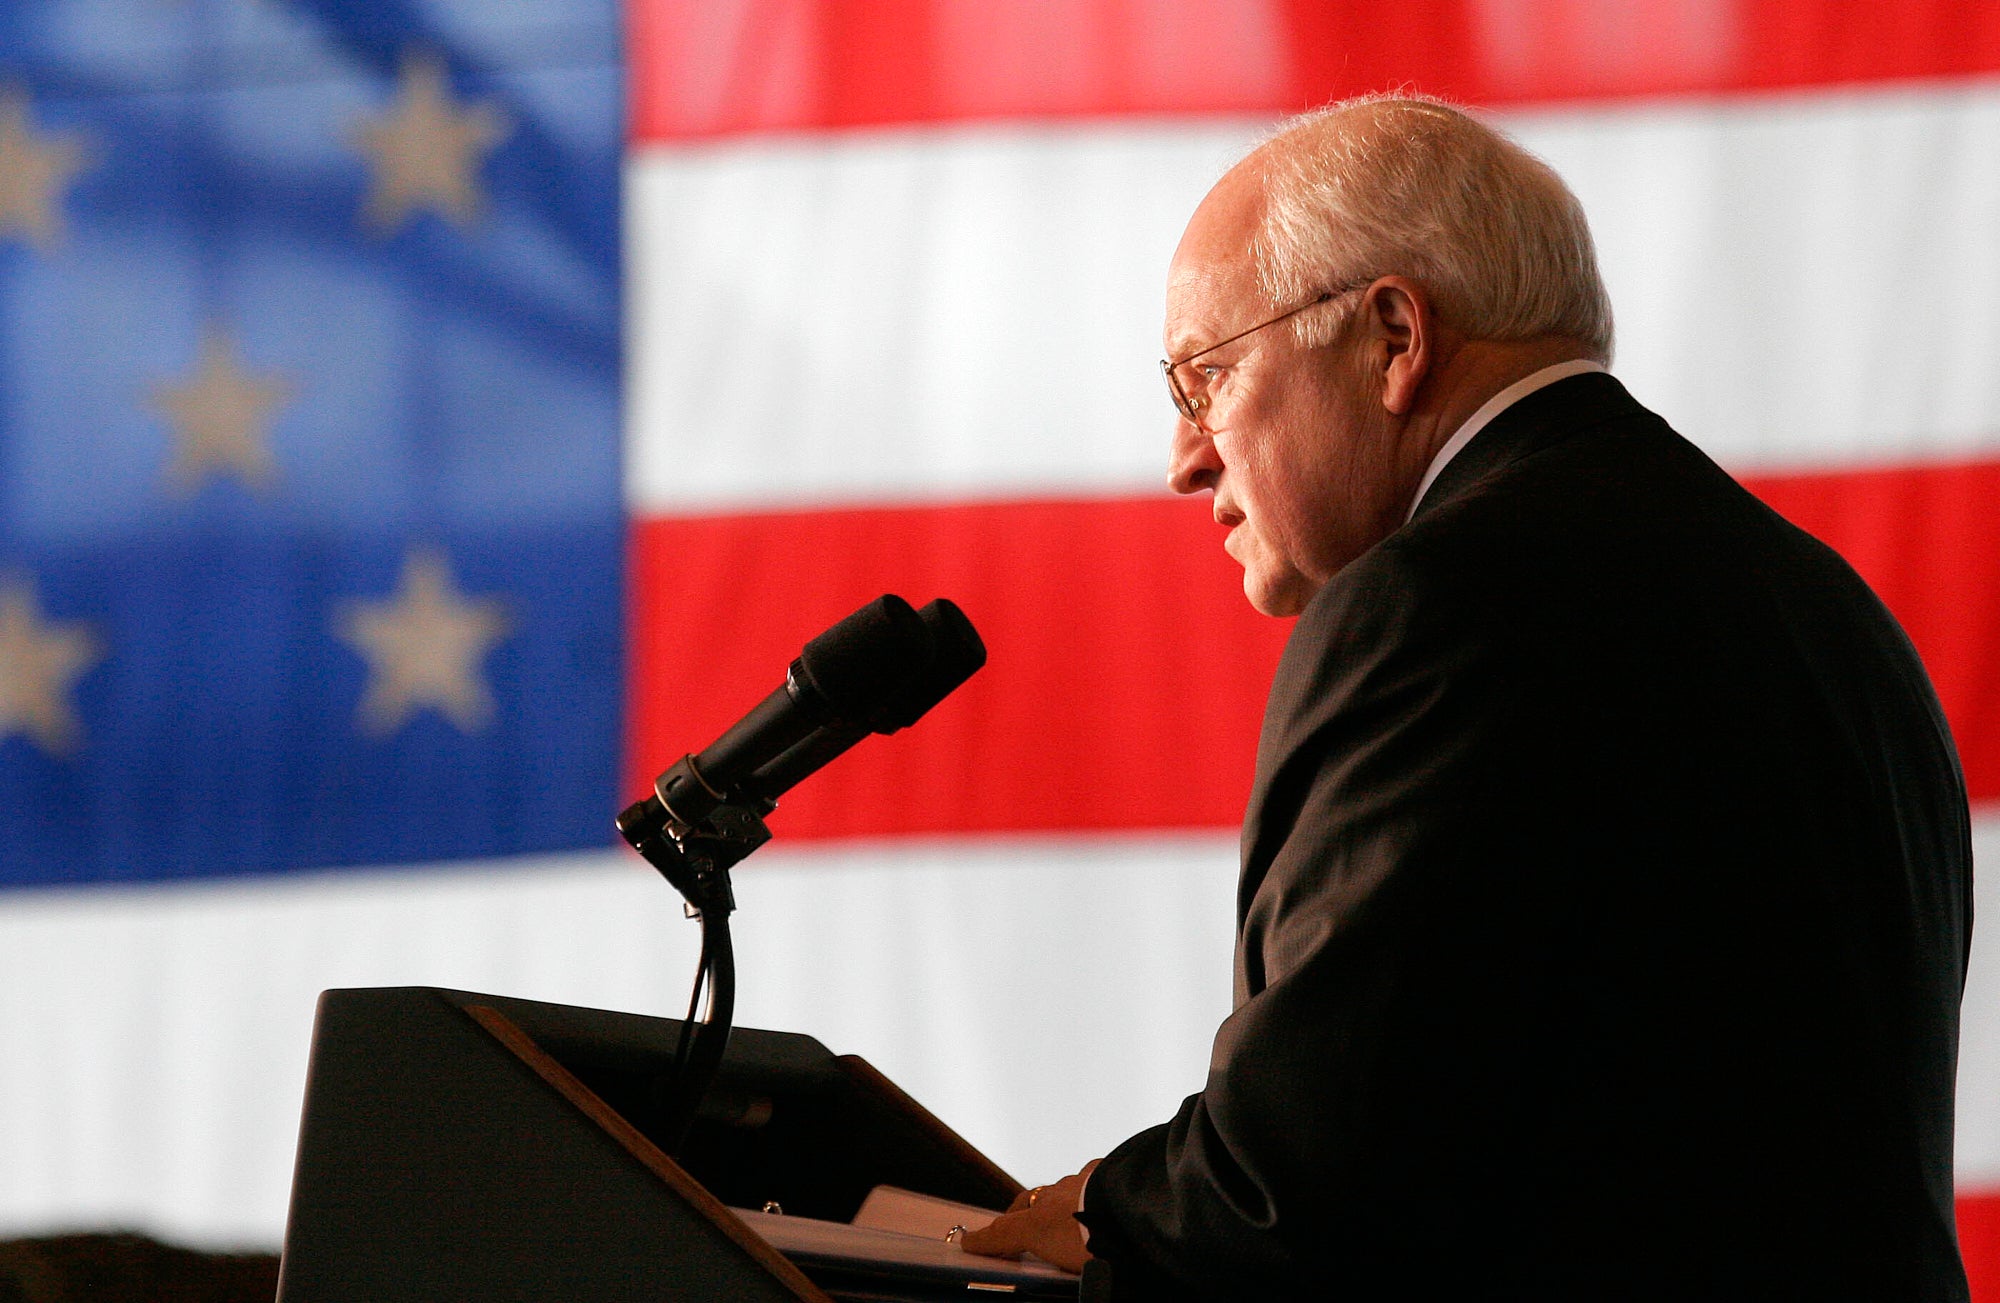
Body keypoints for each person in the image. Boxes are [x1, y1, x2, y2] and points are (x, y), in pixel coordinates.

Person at [962, 94, 1973, 1299]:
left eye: (1205, 380)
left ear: (1392, 336)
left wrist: (1092, 1218)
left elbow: (1300, 1194)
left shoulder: (1430, 604)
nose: (1185, 461)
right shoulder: (1828, 610)